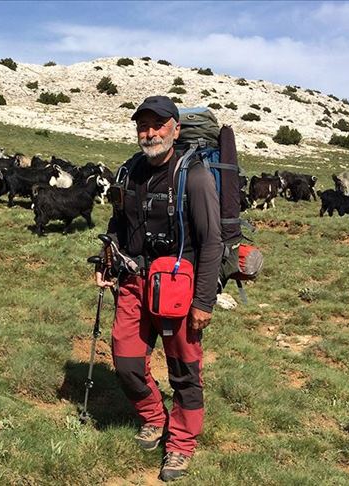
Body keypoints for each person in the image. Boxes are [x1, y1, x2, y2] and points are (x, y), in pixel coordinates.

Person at [95, 95, 222, 482]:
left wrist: (204, 301)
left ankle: (181, 445)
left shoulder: (194, 176)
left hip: (178, 288)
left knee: (184, 370)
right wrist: (106, 262)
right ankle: (154, 416)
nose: (149, 133)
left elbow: (212, 241)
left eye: (158, 125)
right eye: (143, 126)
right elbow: (117, 223)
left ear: (175, 129)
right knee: (127, 361)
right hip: (134, 282)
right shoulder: (129, 172)